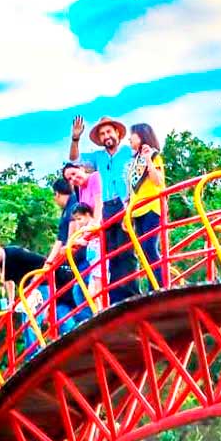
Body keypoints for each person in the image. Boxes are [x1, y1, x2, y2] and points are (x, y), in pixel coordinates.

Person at [68, 115, 137, 305]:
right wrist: (75, 138)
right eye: (102, 134)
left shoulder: (128, 151)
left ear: (117, 133)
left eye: (109, 132)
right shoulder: (98, 157)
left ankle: (130, 294)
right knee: (110, 253)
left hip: (124, 203)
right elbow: (74, 158)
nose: (106, 136)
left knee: (125, 251)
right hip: (107, 206)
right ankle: (116, 298)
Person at [0, 239, 85, 341]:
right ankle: (34, 348)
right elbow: (8, 281)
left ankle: (36, 348)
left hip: (41, 286)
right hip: (29, 292)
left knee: (31, 319)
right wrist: (11, 301)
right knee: (26, 321)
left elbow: (43, 263)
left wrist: (33, 283)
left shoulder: (16, 253)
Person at [124, 122, 167, 291]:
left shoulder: (154, 156)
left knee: (150, 247)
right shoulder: (134, 161)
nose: (129, 139)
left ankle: (159, 286)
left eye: (132, 135)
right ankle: (152, 286)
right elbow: (132, 190)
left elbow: (158, 181)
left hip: (151, 208)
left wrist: (148, 160)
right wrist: (127, 213)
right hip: (137, 211)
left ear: (141, 136)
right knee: (143, 251)